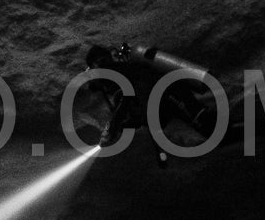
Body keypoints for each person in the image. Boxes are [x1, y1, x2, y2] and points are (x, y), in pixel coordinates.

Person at [85, 43, 217, 166]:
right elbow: (137, 113)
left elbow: (127, 100)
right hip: (167, 101)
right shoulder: (120, 76)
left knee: (207, 125)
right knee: (209, 129)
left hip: (171, 96)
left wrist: (113, 128)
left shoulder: (120, 72)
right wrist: (121, 125)